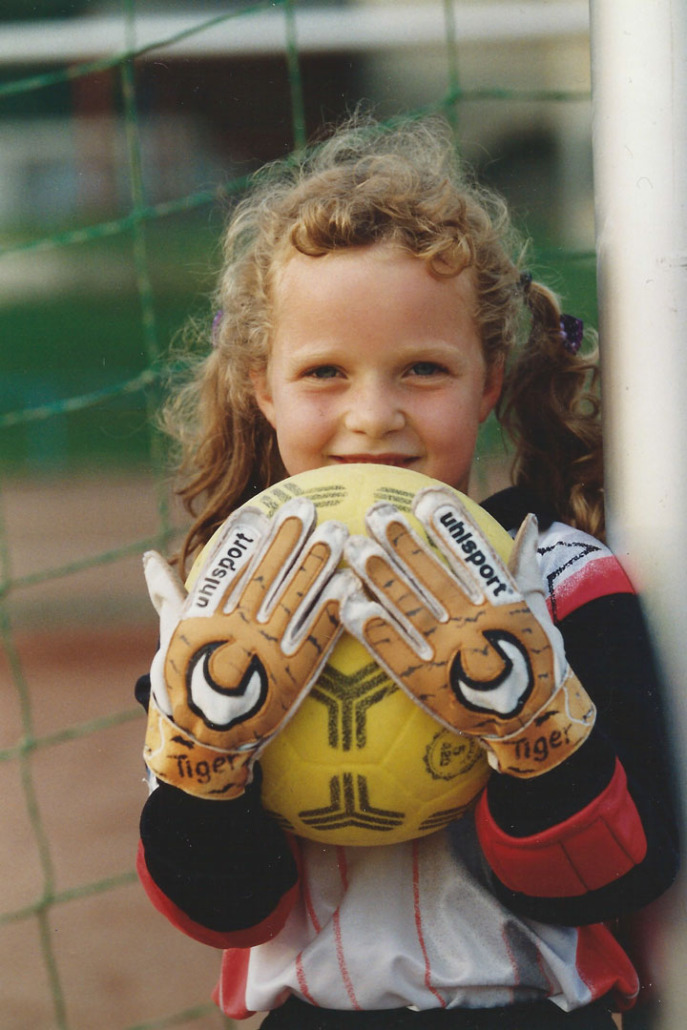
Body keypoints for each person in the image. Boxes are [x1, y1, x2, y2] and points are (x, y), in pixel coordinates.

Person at [135, 116, 678, 1029]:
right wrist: (203, 772)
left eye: (422, 369)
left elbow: (623, 875)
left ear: (489, 378)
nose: (371, 418)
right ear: (261, 386)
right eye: (324, 374)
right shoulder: (220, 603)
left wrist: (534, 732)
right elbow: (223, 910)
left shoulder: (567, 580)